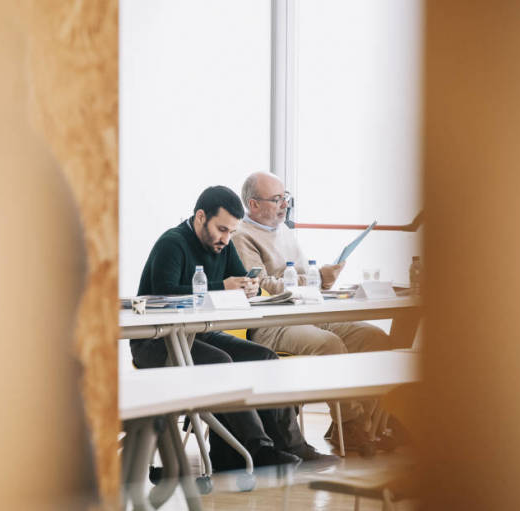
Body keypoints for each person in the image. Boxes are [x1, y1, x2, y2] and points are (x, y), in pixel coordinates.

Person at [131, 185, 339, 471]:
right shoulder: (172, 243)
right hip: (155, 343)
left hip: (198, 334)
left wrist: (249, 286)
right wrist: (221, 286)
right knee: (221, 363)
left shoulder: (223, 245)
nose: (226, 240)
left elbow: (240, 278)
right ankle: (260, 450)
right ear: (201, 217)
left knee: (264, 357)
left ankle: (292, 446)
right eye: (222, 229)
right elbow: (164, 295)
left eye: (232, 232)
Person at [232, 172, 410, 455]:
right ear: (253, 205)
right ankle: (349, 424)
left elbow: (300, 276)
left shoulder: (285, 231)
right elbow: (262, 286)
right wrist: (314, 278)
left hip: (307, 312)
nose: (284, 205)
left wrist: (322, 278)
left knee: (374, 339)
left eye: (286, 197)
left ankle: (365, 424)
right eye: (277, 199)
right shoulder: (241, 236)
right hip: (271, 323)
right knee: (329, 345)